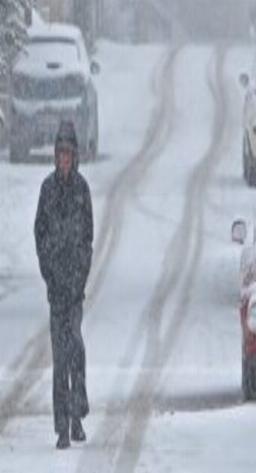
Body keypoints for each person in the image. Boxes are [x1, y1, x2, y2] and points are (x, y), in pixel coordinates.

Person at [34, 120, 93, 449]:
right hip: (56, 288)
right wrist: (49, 271)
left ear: (75, 157)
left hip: (75, 287)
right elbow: (39, 233)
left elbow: (88, 236)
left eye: (69, 154)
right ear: (56, 157)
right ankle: (61, 426)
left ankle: (77, 414)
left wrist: (80, 274)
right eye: (61, 155)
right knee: (60, 357)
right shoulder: (47, 190)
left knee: (76, 350)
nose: (64, 160)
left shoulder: (82, 190)